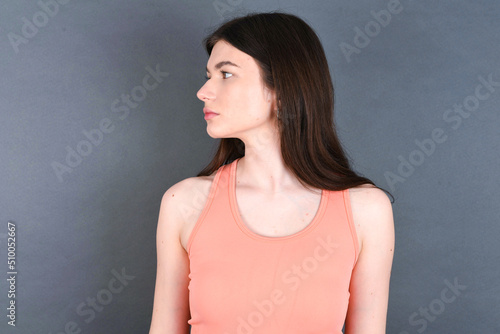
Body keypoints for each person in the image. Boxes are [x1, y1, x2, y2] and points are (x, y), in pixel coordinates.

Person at [149, 12, 395, 334]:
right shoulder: (183, 202)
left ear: (281, 88)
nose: (203, 91)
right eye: (208, 75)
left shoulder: (366, 210)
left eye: (225, 75)